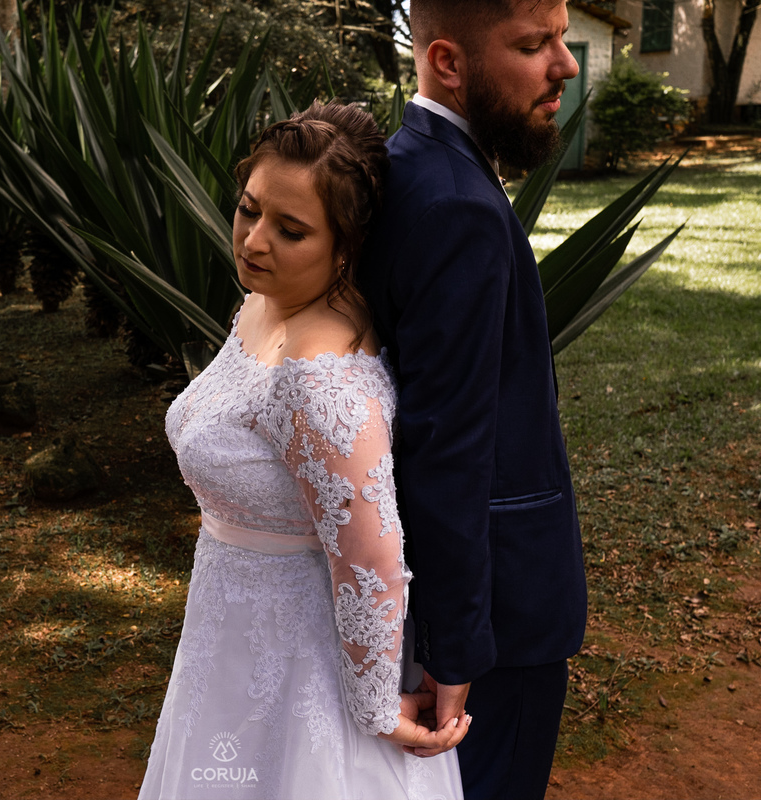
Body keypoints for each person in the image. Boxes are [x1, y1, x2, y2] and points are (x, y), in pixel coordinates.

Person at [139, 101, 468, 800]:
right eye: (249, 210)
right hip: (226, 638)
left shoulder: (322, 378)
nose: (254, 241)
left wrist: (376, 709)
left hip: (303, 673)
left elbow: (373, 564)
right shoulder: (265, 301)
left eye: (291, 231)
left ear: (346, 246)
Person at [358, 2, 588, 799]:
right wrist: (453, 649)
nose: (565, 65)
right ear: (448, 63)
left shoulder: (410, 164)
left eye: (561, 37)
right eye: (533, 44)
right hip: (495, 621)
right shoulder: (455, 203)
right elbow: (446, 445)